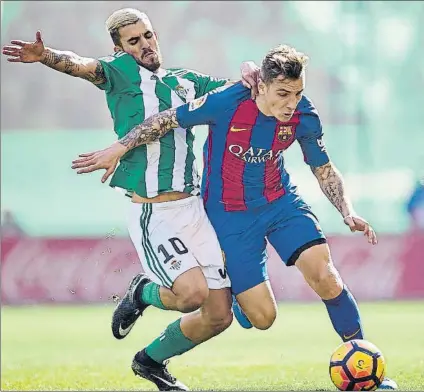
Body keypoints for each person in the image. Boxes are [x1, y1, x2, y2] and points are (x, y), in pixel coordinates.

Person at [71, 44, 398, 390]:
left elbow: (324, 168)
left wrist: (348, 211)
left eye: (298, 93)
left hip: (281, 204)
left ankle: (365, 366)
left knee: (325, 275)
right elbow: (166, 119)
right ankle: (218, 301)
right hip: (230, 218)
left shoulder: (304, 115)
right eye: (283, 93)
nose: (291, 103)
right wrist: (119, 148)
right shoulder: (227, 101)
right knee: (262, 318)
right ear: (262, 86)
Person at [2, 8, 260, 391]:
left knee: (218, 315)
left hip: (193, 208)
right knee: (190, 296)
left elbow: (238, 89)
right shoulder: (120, 74)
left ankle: (150, 362)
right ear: (120, 49)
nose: (145, 44)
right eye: (134, 41)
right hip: (154, 211)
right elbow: (82, 65)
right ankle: (143, 290)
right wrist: (48, 56)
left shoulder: (188, 82)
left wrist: (250, 67)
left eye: (148, 35)